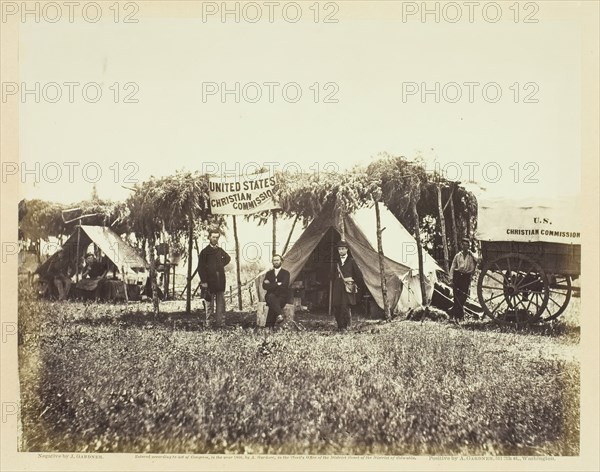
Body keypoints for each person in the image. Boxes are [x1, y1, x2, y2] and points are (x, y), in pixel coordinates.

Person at [198, 229, 231, 328]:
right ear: (209, 238)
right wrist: (204, 281)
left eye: (217, 237)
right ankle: (209, 325)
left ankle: (220, 324)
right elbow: (200, 268)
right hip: (209, 282)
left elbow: (228, 258)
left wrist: (219, 266)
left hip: (220, 281)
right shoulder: (204, 252)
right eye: (213, 237)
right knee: (209, 304)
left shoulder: (220, 250)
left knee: (221, 305)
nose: (215, 239)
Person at [331, 240, 363, 330]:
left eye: (342, 249)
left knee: (345, 306)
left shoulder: (351, 261)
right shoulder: (336, 262)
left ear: (347, 250)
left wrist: (352, 281)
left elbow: (359, 275)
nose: (340, 251)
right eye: (339, 249)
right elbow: (332, 274)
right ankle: (339, 325)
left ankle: (344, 326)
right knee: (336, 305)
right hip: (337, 286)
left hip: (347, 286)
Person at [449, 237, 479, 321]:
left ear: (469, 246)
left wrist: (471, 253)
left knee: (463, 297)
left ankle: (453, 313)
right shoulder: (458, 256)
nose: (466, 247)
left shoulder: (471, 256)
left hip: (466, 277)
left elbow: (478, 260)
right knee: (456, 297)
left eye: (467, 245)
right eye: (464, 245)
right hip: (458, 276)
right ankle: (458, 317)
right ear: (461, 246)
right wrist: (451, 279)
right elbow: (453, 267)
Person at [262, 254, 290, 327]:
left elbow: (284, 286)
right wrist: (278, 284)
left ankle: (268, 327)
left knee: (272, 303)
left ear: (281, 261)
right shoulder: (269, 273)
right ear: (272, 262)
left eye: (277, 260)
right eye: (274, 260)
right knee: (271, 297)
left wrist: (271, 284)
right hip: (269, 296)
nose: (276, 262)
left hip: (281, 297)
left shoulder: (286, 273)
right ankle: (279, 315)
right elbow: (264, 286)